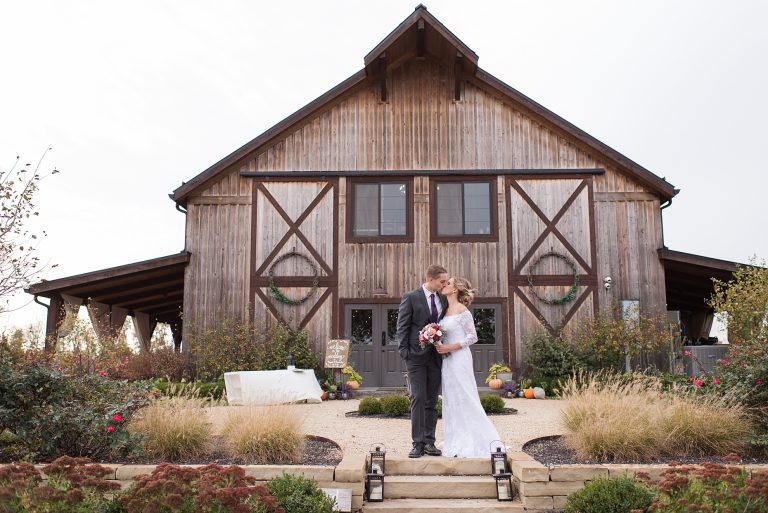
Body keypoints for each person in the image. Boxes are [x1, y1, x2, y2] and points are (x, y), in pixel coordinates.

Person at [436, 277, 503, 457]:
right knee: (451, 398)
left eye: (448, 283)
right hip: (447, 361)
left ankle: (479, 439)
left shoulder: (463, 310)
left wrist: (449, 347)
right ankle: (456, 438)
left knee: (465, 395)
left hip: (459, 358)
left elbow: (472, 337)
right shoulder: (445, 310)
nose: (445, 285)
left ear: (455, 289)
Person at [396, 264, 449, 458]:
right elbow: (402, 326)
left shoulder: (443, 298)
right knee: (418, 397)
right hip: (415, 357)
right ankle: (417, 444)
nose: (444, 284)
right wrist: (405, 353)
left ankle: (429, 442)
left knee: (432, 400)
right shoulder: (411, 297)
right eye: (442, 281)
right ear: (431, 279)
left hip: (436, 357)